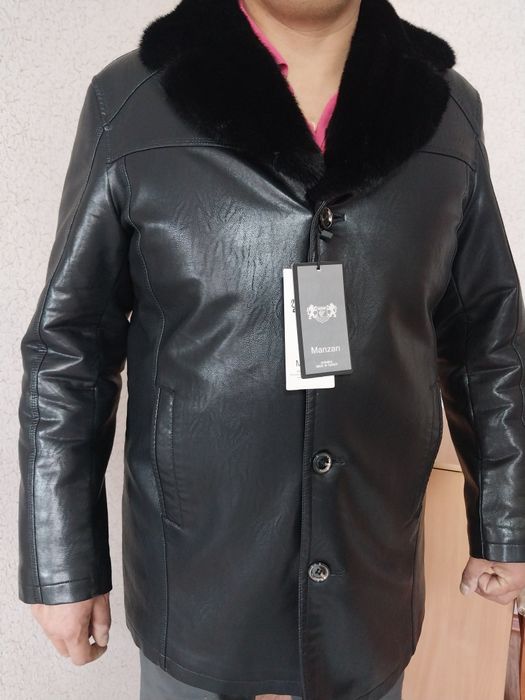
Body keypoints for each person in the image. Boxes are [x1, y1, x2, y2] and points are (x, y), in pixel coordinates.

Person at [17, 0, 525, 699]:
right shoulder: (132, 98)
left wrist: (506, 523)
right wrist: (62, 559)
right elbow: (68, 347)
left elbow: (487, 340)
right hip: (195, 582)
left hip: (370, 576)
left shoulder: (446, 111)